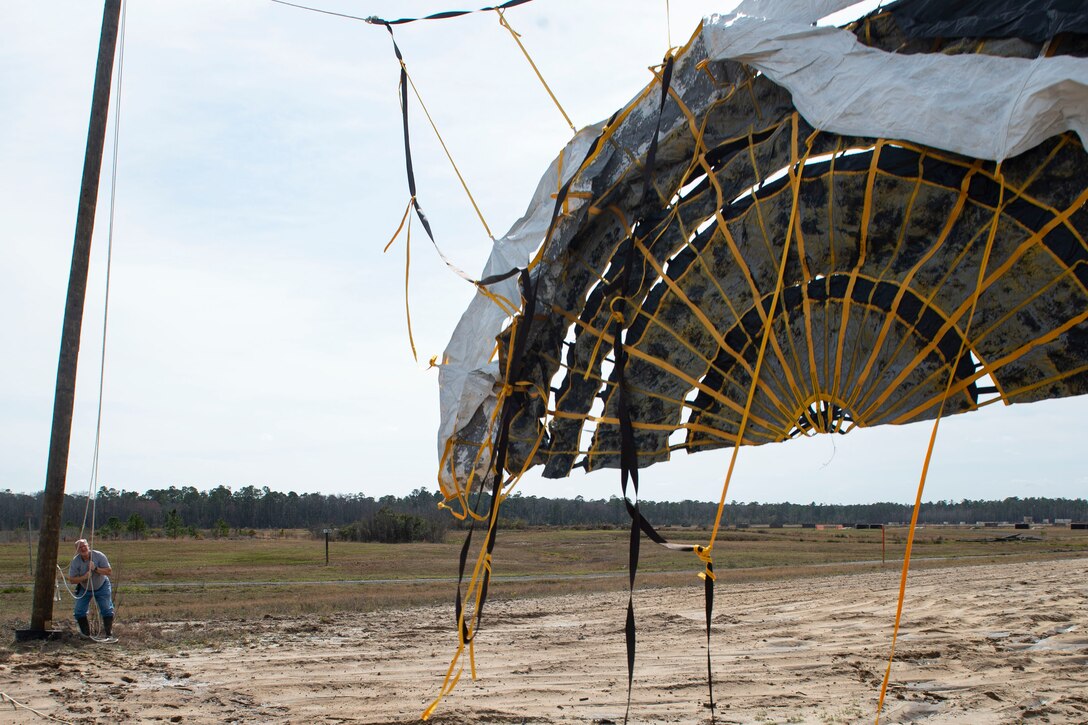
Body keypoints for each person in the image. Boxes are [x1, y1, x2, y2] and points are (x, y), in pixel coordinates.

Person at [68, 538, 115, 639]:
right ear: (77, 550)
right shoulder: (75, 562)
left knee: (106, 608)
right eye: (80, 547)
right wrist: (84, 577)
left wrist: (96, 569)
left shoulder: (99, 555)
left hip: (102, 586)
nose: (83, 548)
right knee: (79, 611)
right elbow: (72, 580)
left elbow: (109, 571)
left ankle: (109, 634)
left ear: (88, 546)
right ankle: (86, 635)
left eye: (84, 546)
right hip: (84, 589)